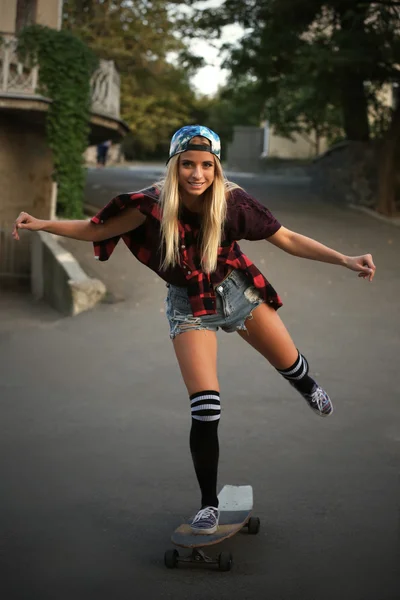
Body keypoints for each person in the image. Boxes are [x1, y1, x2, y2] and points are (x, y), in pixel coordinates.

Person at [12, 125, 376, 535]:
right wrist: (42, 224)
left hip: (237, 292)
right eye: (188, 164)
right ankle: (208, 504)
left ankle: (308, 386)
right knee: (206, 407)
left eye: (206, 165)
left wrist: (345, 259)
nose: (197, 174)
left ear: (217, 168)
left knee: (289, 364)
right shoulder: (151, 206)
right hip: (190, 307)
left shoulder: (235, 204)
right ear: (174, 166)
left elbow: (288, 238)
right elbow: (97, 229)